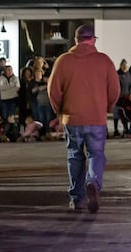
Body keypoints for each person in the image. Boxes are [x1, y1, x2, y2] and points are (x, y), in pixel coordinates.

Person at [47, 22, 120, 213]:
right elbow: (115, 90)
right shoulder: (104, 61)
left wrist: (60, 111)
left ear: (76, 40)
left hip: (72, 118)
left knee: (75, 155)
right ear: (92, 40)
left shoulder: (63, 60)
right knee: (96, 154)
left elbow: (53, 90)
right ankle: (93, 182)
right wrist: (106, 108)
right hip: (96, 118)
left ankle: (77, 198)